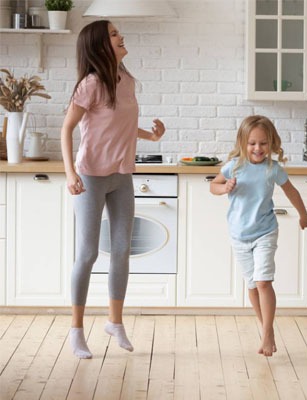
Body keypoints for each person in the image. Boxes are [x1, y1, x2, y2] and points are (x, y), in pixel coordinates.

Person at [61, 20, 166, 359]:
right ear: (99, 45)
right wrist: (69, 173)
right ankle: (76, 331)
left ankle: (114, 322)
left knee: (122, 249)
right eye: (114, 34)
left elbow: (119, 123)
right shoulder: (90, 84)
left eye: (119, 32)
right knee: (88, 253)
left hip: (121, 175)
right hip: (90, 177)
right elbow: (67, 130)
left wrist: (150, 136)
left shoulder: (126, 80)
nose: (121, 36)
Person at [210, 115, 307, 356]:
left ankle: (266, 333)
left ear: (272, 144)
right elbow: (213, 185)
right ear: (243, 142)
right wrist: (224, 188)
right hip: (239, 234)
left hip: (265, 231)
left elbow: (291, 191)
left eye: (264, 143)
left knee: (264, 281)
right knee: (253, 285)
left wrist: (303, 215)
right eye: (253, 143)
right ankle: (267, 328)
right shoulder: (233, 166)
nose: (258, 148)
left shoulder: (272, 169)